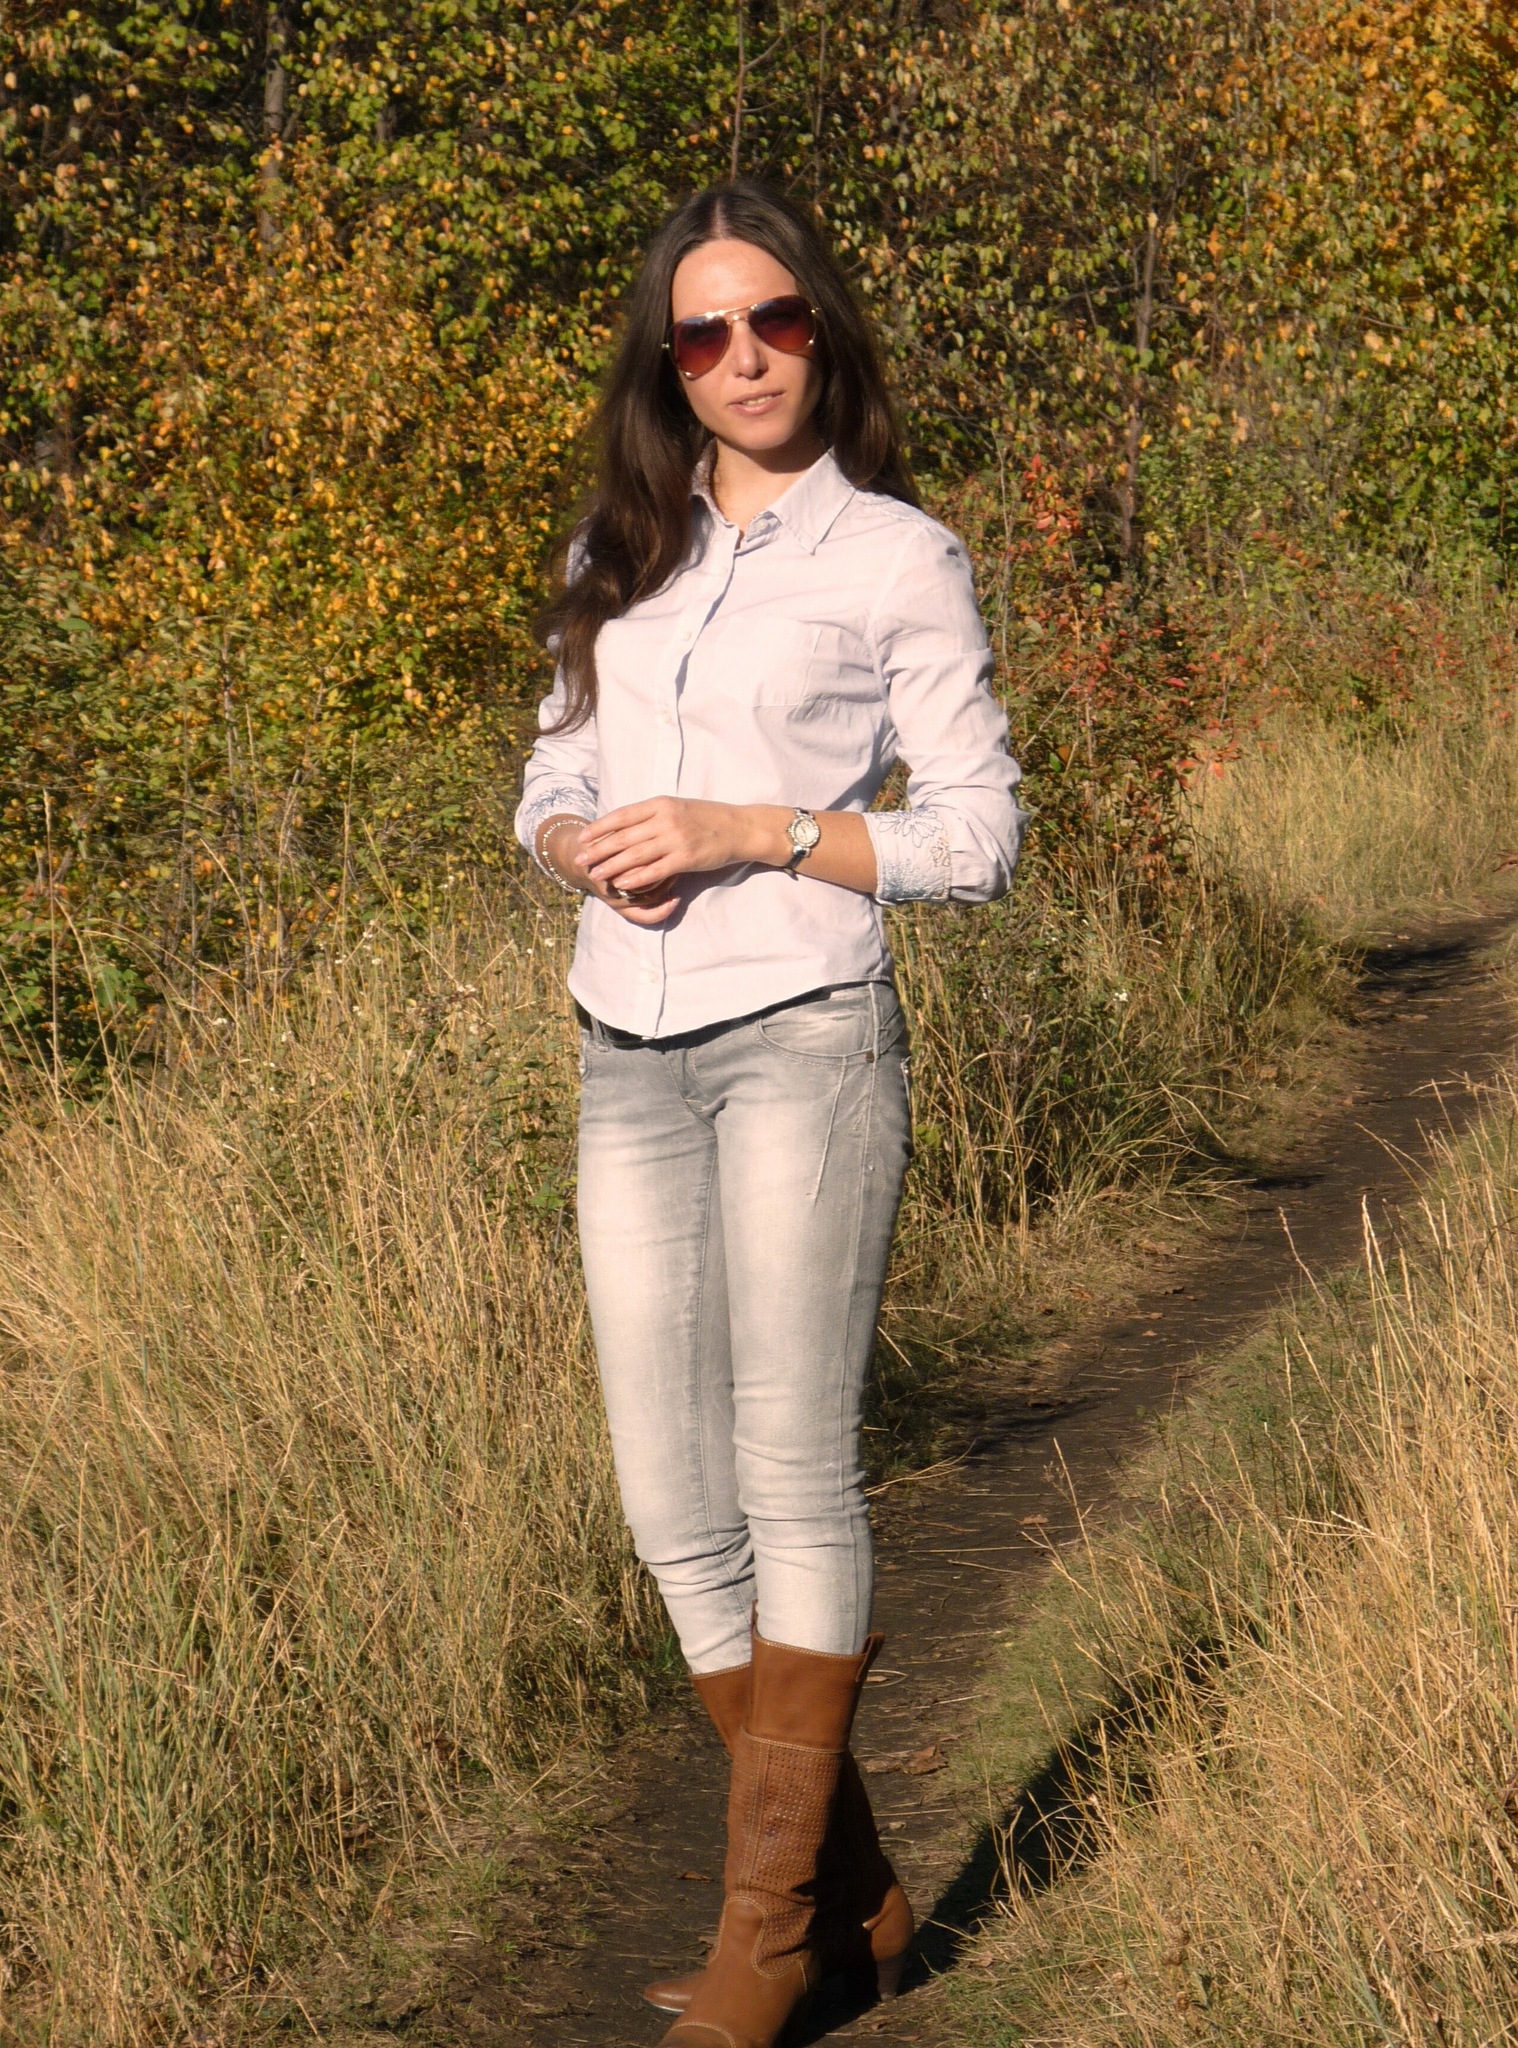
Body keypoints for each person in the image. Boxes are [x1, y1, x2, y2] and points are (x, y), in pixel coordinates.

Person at [515, 177, 1024, 2048]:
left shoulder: (895, 556)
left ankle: (765, 1940)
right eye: (706, 332)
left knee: (791, 1468)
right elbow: (552, 766)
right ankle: (849, 1892)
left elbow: (976, 835)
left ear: (824, 330)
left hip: (805, 1034)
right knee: (669, 1496)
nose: (745, 358)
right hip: (623, 1042)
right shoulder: (619, 544)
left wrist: (756, 829)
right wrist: (571, 842)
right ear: (668, 361)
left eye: (777, 320)